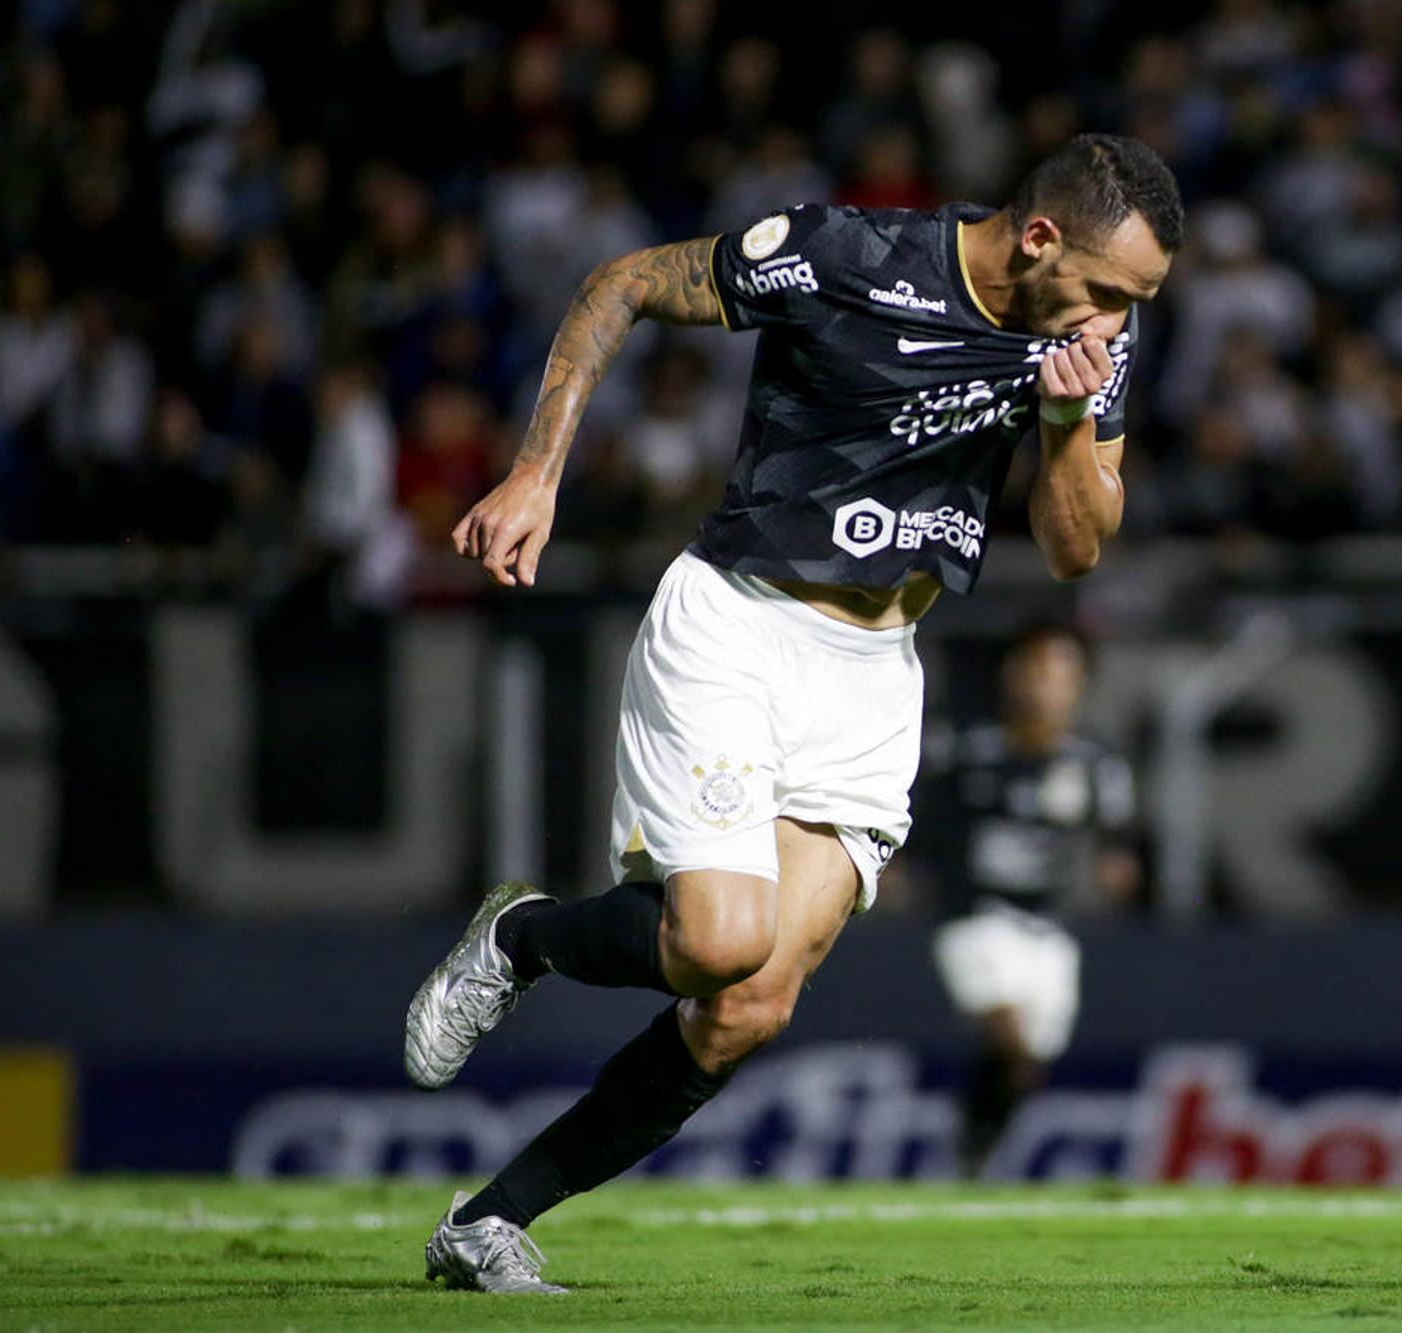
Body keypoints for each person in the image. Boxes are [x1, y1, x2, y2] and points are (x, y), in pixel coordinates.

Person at [404, 134, 1182, 1293]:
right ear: (1037, 239)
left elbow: (1075, 548)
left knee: (746, 1008)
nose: (1120, 323)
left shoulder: (1088, 342)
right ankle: (523, 939)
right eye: (1113, 293)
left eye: (1141, 305)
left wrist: (1068, 423)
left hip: (874, 674)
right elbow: (620, 282)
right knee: (719, 940)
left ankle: (487, 1223)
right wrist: (537, 473)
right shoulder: (843, 257)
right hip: (740, 623)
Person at [924, 622, 1138, 1176]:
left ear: (1079, 684)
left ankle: (974, 1145)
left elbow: (1118, 836)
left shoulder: (1095, 763)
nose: (1046, 686)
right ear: (1011, 675)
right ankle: (973, 1147)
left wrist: (1118, 865)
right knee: (1009, 1031)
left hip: (1049, 929)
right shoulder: (966, 750)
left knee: (1026, 1062)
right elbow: (923, 824)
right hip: (977, 915)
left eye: (1060, 673)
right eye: (1036, 670)